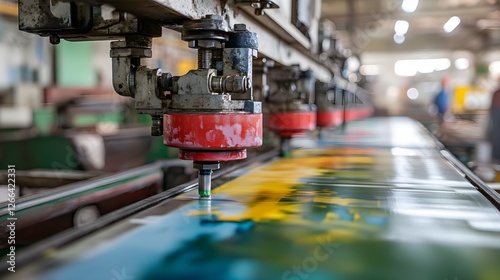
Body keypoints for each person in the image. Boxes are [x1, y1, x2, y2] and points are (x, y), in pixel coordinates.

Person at [488, 84, 500, 162]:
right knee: (497, 134)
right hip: (496, 112)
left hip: (495, 112)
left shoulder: (496, 93)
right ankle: (497, 155)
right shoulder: (496, 93)